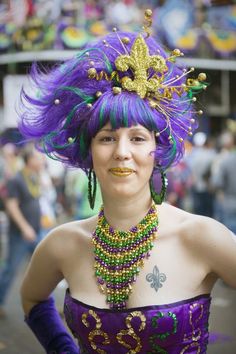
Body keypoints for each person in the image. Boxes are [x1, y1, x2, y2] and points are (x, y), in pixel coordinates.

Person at [18, 9, 236, 354]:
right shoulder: (62, 244)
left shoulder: (201, 237)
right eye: (106, 138)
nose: (122, 152)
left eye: (137, 138)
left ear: (157, 150)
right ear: (89, 150)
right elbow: (31, 297)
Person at [0, 145, 44, 317]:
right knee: (11, 269)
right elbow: (12, 206)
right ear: (29, 160)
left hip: (36, 231)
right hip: (20, 234)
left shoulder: (33, 177)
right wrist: (25, 227)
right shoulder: (16, 179)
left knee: (42, 269)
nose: (42, 161)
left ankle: (41, 305)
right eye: (39, 158)